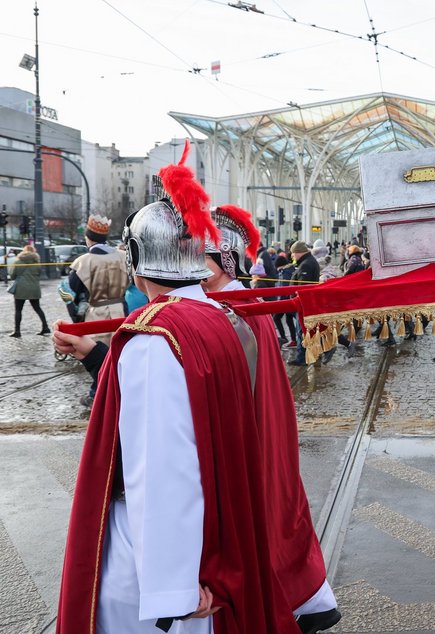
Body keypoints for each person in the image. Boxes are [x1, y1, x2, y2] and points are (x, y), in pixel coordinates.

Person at [55, 141, 300, 633]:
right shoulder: (215, 315)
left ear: (137, 256)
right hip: (206, 534)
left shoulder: (156, 332)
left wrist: (173, 586)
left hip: (148, 570)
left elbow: (163, 465)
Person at [201, 204, 341, 632]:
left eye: (200, 259)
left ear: (224, 261)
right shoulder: (238, 304)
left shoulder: (232, 312)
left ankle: (286, 601)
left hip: (249, 440)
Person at [69, 214, 129, 403]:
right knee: (119, 353)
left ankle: (98, 393)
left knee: (97, 354)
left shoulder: (82, 262)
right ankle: (116, 391)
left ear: (89, 237)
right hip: (121, 310)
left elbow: (74, 288)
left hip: (96, 315)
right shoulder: (123, 256)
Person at [288, 241, 320, 366]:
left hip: (302, 304)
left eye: (293, 254)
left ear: (299, 253)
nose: (292, 256)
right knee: (303, 329)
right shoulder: (308, 262)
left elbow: (302, 287)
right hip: (306, 302)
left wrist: (296, 296)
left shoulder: (306, 265)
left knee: (300, 330)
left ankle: (302, 358)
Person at [8, 243, 49, 338]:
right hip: (34, 288)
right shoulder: (37, 263)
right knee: (38, 308)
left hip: (20, 289)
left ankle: (17, 331)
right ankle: (45, 327)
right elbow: (39, 274)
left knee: (18, 310)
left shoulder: (17, 262)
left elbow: (12, 275)